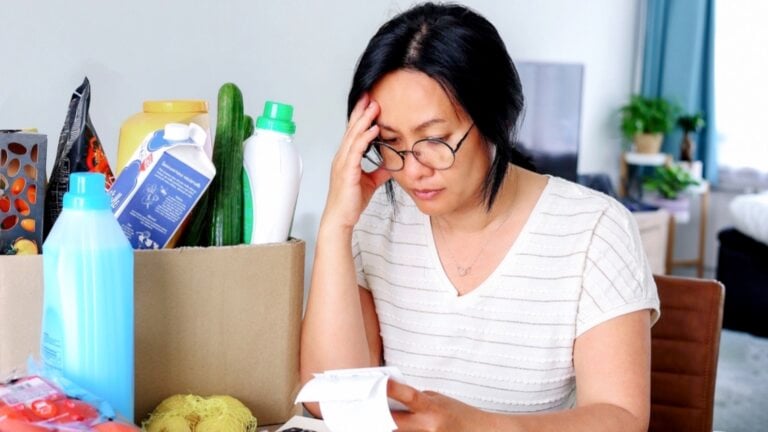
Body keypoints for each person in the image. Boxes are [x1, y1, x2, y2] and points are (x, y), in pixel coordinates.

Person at [300, 3, 660, 431]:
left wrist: (473, 425)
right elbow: (329, 400)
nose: (412, 169)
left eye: (435, 139)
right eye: (391, 143)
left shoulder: (595, 229)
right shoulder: (377, 219)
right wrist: (336, 226)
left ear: (496, 120)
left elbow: (622, 418)